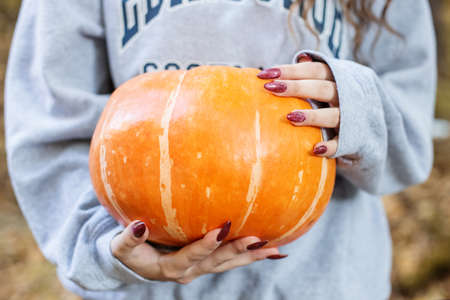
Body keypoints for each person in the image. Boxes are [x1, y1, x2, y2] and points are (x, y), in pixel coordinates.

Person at [4, 0, 436, 299]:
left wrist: (359, 107)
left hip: (325, 284)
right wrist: (102, 246)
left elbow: (411, 138)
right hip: (147, 293)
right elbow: (50, 128)